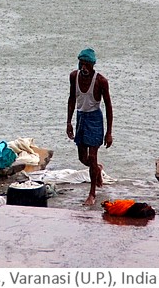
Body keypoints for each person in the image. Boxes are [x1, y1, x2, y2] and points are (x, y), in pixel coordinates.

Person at [66, 48, 113, 206]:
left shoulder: (101, 81)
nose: (84, 68)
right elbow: (72, 98)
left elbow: (108, 106)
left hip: (95, 119)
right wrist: (68, 123)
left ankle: (92, 193)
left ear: (92, 65)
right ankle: (97, 169)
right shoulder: (74, 76)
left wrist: (109, 132)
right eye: (81, 64)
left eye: (87, 65)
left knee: (93, 156)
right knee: (83, 158)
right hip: (81, 118)